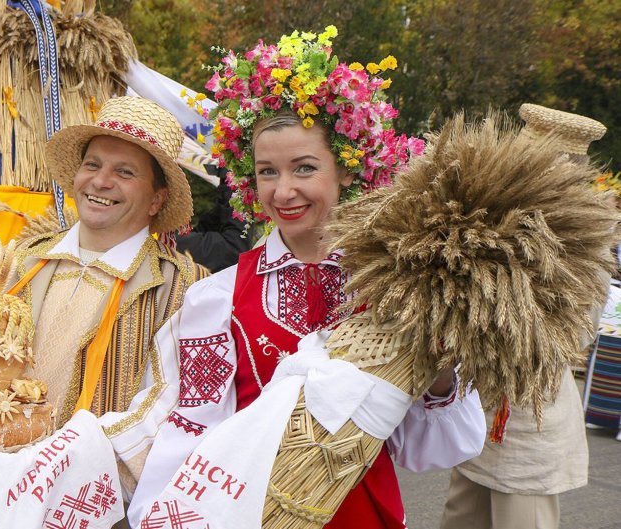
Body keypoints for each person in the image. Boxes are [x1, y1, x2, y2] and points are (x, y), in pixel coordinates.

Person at [126, 28, 485, 528]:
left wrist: (441, 370)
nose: (284, 190)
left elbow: (433, 448)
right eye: (267, 171)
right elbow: (193, 427)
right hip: (251, 514)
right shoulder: (218, 298)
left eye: (305, 167)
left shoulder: (395, 290)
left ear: (346, 170)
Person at [0, 95, 209, 528]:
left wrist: (62, 466)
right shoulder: (25, 260)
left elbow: (172, 406)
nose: (101, 181)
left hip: (88, 502)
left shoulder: (182, 286)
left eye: (124, 172)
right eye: (93, 164)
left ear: (157, 199)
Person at [439, 103, 606, 529]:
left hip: (532, 420)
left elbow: (576, 332)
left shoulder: (588, 234)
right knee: (460, 518)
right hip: (478, 412)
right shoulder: (491, 212)